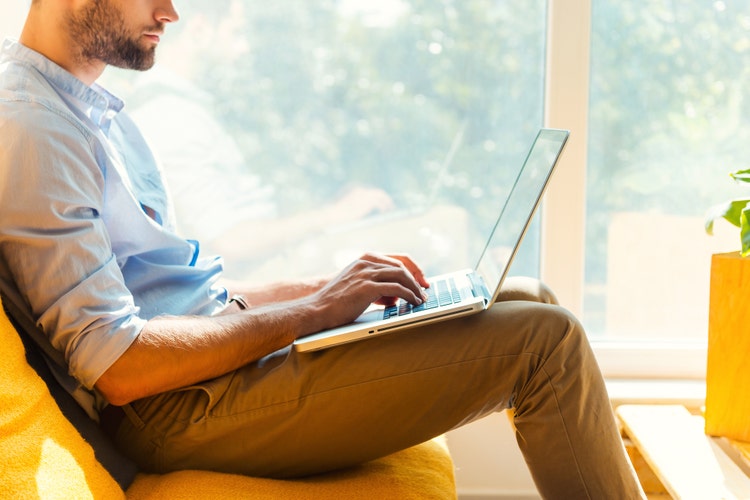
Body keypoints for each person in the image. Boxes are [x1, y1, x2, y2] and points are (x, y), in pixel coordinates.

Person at [0, 1, 645, 498]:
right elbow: (117, 366)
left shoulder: (89, 110)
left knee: (525, 296)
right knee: (545, 342)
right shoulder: (34, 126)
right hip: (175, 409)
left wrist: (327, 286)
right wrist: (315, 314)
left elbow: (187, 299)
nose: (172, 12)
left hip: (208, 366)